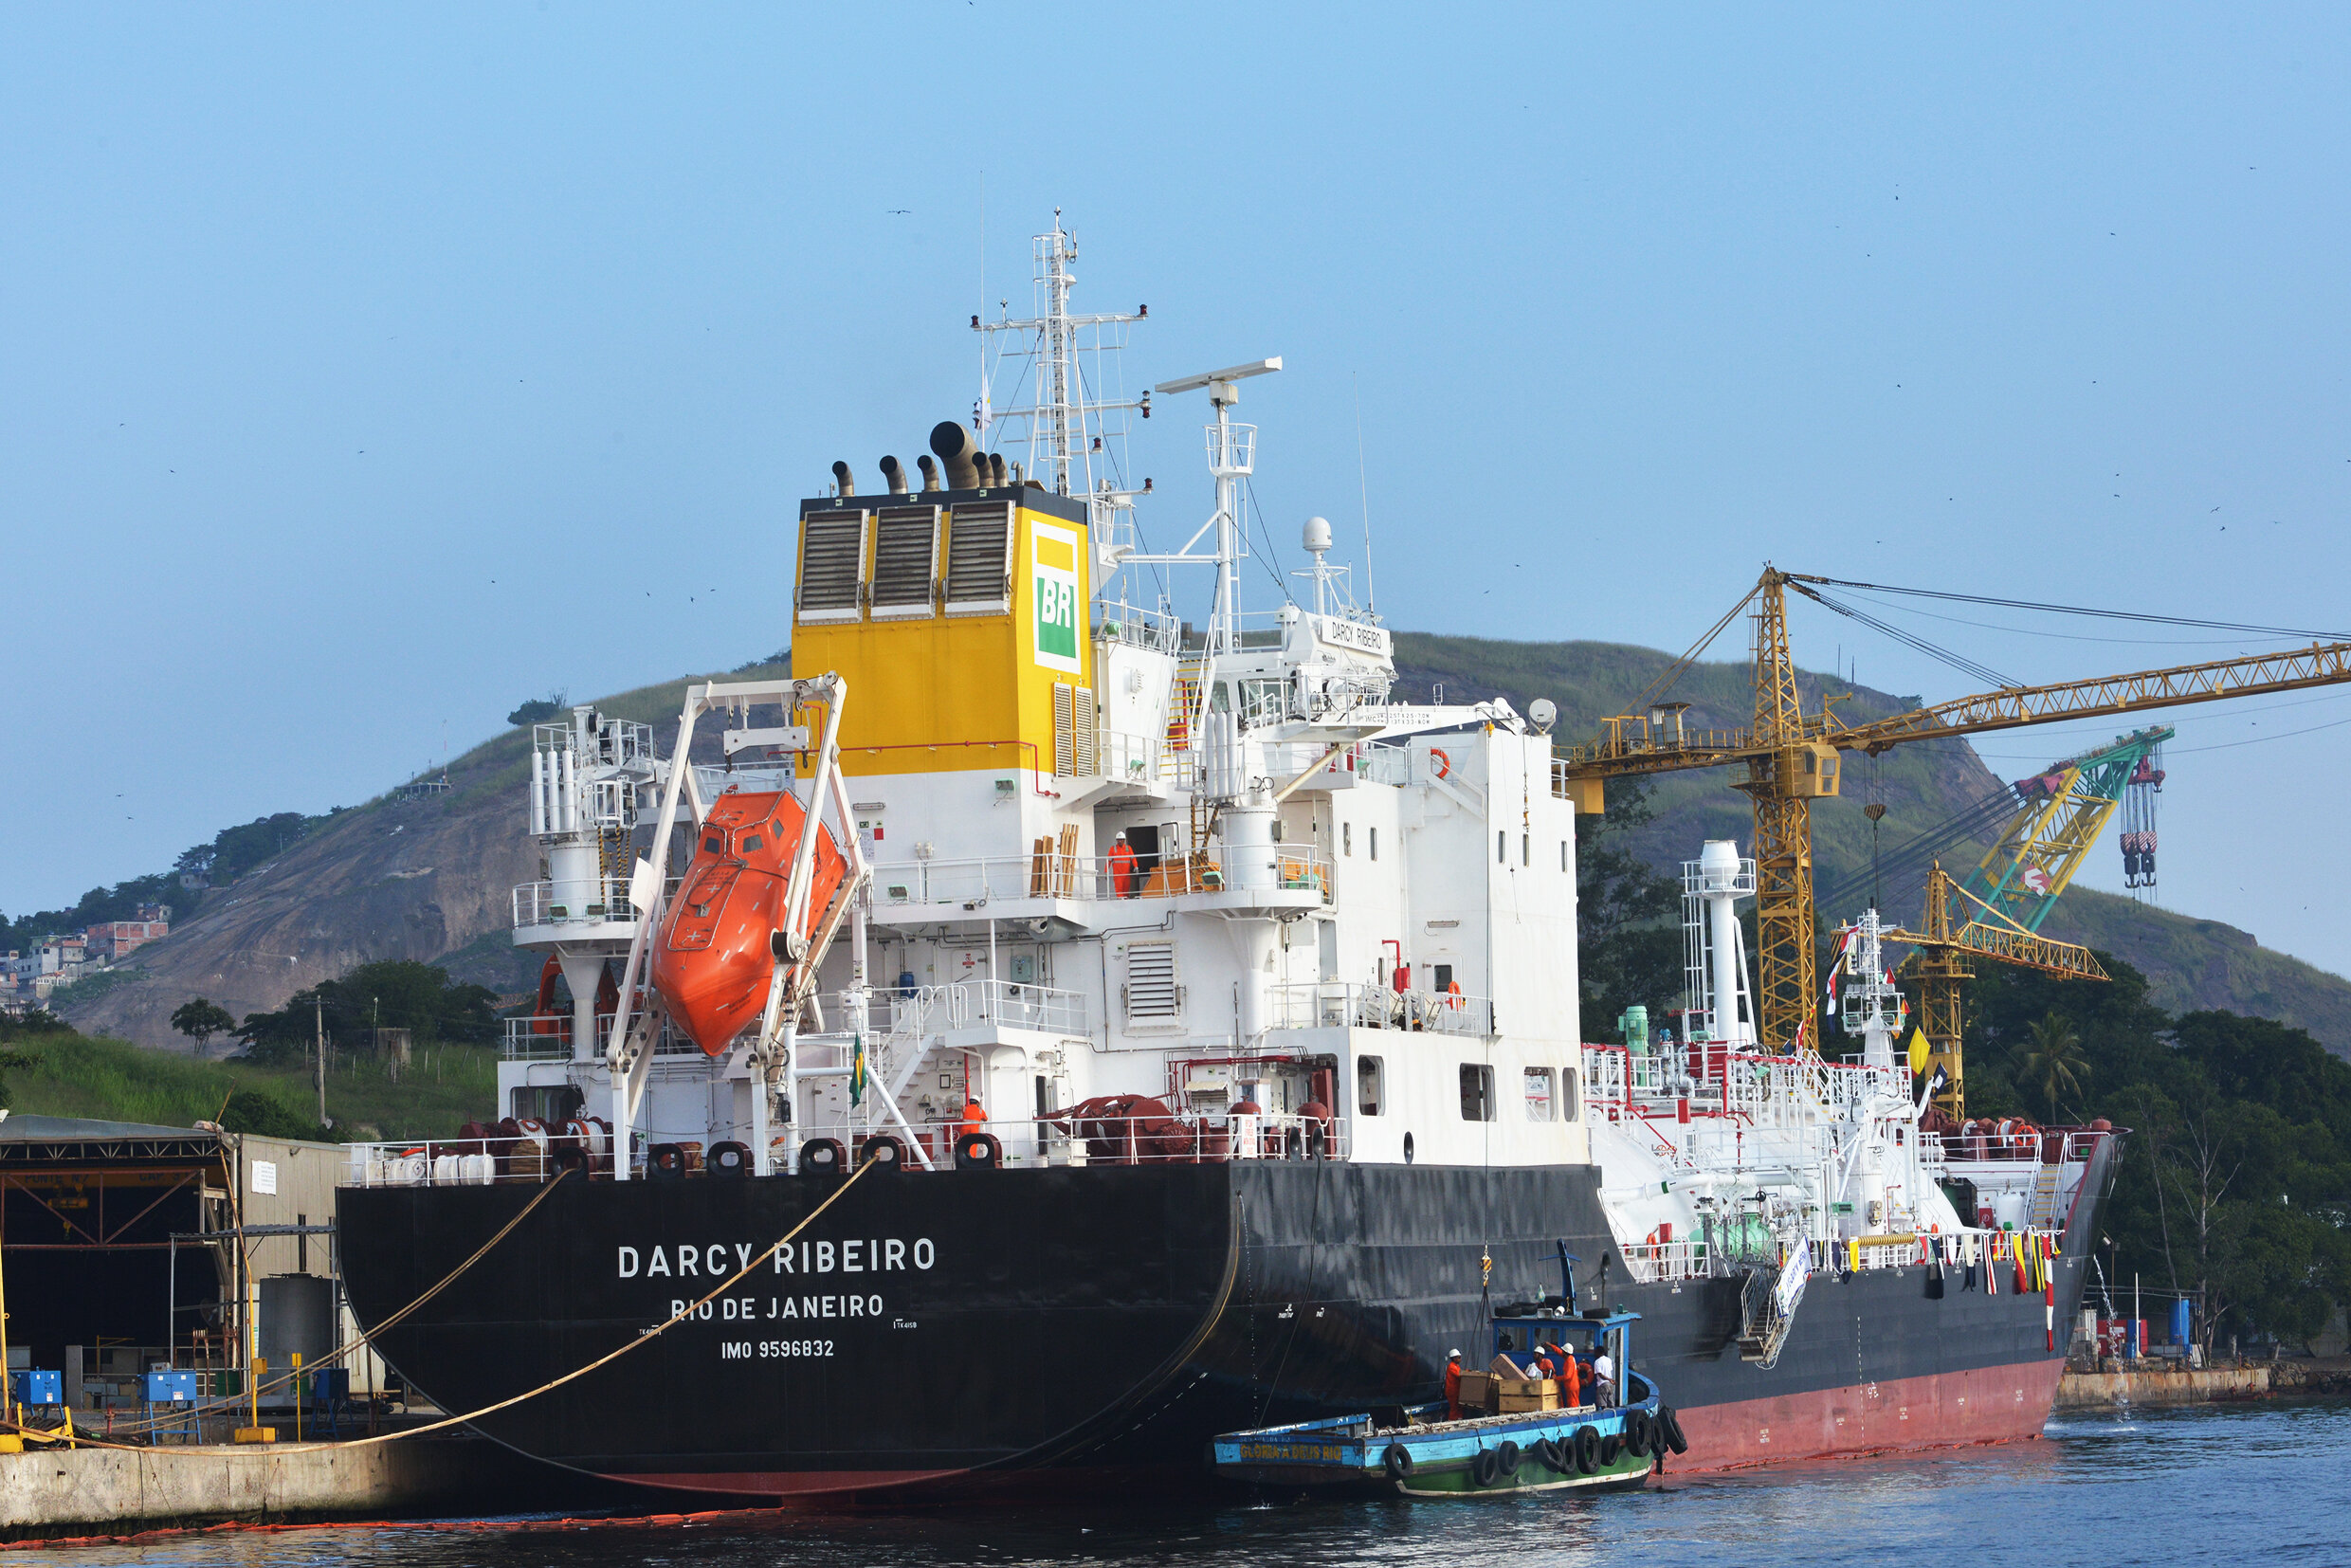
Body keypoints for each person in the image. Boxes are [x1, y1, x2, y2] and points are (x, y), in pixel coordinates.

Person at [1108, 830, 1140, 897]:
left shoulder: (1128, 848)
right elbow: (1108, 861)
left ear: (1124, 840)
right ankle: (1121, 902)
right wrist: (1106, 871)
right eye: (1118, 840)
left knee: (1126, 892)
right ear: (1116, 840)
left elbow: (1133, 858)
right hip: (1117, 875)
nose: (1120, 841)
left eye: (1121, 839)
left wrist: (1136, 866)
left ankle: (1125, 902)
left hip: (1126, 875)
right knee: (1119, 891)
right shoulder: (1113, 849)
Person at [1443, 1349, 1464, 1420]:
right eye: (1459, 1357)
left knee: (1459, 1406)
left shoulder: (1456, 1366)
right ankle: (1451, 1421)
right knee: (1454, 1407)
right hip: (1452, 1392)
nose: (1460, 1359)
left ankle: (1459, 1419)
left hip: (1456, 1391)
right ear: (1454, 1358)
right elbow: (1459, 1374)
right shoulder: (1452, 1367)